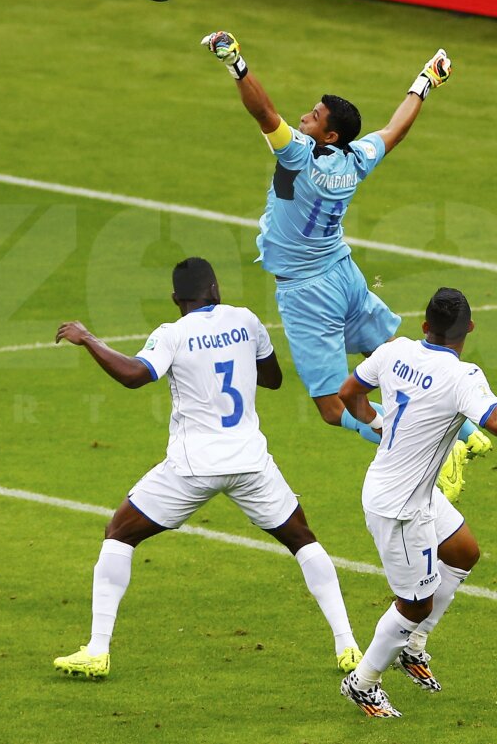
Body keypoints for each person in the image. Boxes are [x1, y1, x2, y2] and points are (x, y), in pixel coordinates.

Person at [200, 32, 491, 502]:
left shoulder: (298, 154)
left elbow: (262, 112)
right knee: (401, 363)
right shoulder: (353, 160)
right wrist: (424, 82)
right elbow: (395, 129)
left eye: (313, 116)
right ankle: (467, 434)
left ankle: (433, 456)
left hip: (307, 291)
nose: (302, 118)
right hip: (344, 274)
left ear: (328, 134)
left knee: (333, 407)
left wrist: (236, 62)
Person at [52, 257, 362, 679]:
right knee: (301, 540)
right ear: (215, 289)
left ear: (175, 299)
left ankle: (97, 650)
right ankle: (348, 646)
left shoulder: (172, 334)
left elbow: (133, 375)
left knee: (119, 534)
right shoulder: (246, 320)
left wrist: (88, 339)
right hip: (250, 462)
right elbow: (272, 379)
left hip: (192, 466)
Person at [336, 287, 497, 717]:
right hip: (400, 507)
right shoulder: (462, 377)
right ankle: (363, 682)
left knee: (462, 552)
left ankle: (413, 647)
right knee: (415, 602)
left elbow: (349, 392)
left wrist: (379, 424)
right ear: (470, 329)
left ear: (425, 325)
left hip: (406, 490)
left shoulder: (394, 351)